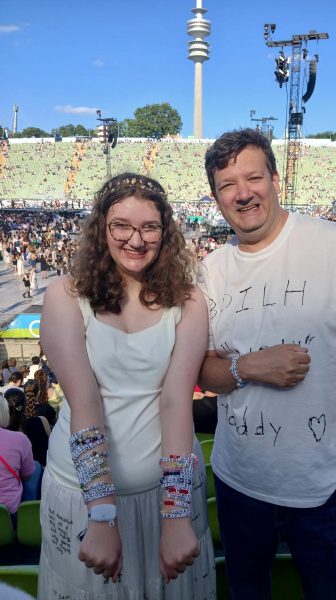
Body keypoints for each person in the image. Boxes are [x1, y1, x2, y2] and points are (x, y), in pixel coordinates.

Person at [198, 128, 336, 600]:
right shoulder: (210, 270)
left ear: (276, 179)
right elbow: (203, 372)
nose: (243, 193)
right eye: (228, 185)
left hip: (325, 487)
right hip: (238, 482)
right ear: (215, 197)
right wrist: (250, 367)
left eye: (253, 178)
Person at [39, 173, 215, 599]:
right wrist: (101, 513)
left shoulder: (189, 301)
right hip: (84, 494)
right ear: (102, 228)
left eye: (149, 227)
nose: (136, 240)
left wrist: (176, 516)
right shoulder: (65, 295)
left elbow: (177, 402)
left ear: (165, 231)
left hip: (165, 493)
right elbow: (85, 402)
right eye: (122, 225)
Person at [0, 393, 36, 527]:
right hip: (8, 513)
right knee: (36, 468)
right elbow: (27, 475)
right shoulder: (20, 439)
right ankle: (29, 514)